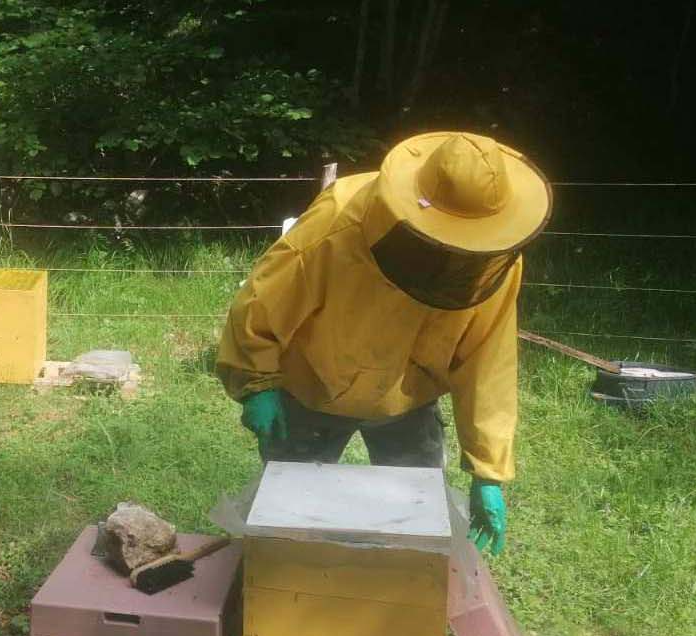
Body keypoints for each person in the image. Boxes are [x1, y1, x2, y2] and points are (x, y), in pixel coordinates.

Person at [216, 132, 552, 555]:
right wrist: (257, 382)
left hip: (408, 398)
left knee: (417, 528)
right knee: (290, 522)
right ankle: (288, 595)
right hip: (313, 387)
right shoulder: (340, 217)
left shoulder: (492, 257)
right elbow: (263, 302)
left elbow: (489, 362)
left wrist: (489, 470)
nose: (453, 258)